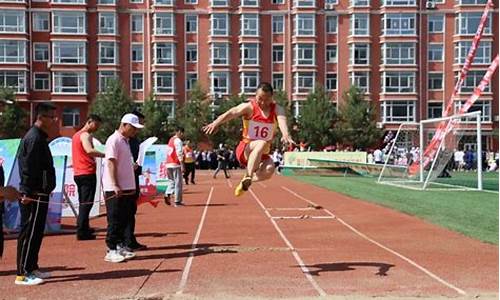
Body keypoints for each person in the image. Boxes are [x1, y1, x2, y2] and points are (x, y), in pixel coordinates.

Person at [202, 82, 295, 196]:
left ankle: (247, 181)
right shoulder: (249, 107)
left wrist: (285, 134)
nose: (263, 102)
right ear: (255, 95)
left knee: (270, 170)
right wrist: (216, 123)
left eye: (267, 99)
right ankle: (249, 174)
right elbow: (232, 112)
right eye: (260, 98)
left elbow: (282, 121)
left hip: (262, 154)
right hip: (246, 149)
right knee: (261, 143)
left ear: (272, 98)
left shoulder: (277, 109)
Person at [15, 102, 57, 285]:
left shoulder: (40, 138)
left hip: (40, 193)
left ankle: (32, 267)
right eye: (51, 117)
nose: (54, 120)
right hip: (32, 194)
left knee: (37, 232)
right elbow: (27, 168)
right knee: (29, 233)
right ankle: (22, 274)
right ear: (41, 117)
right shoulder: (33, 138)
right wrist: (26, 192)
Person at [102, 113, 143, 263]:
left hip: (127, 187)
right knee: (114, 219)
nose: (135, 131)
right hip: (116, 188)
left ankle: (119, 246)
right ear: (124, 125)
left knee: (124, 218)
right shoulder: (114, 140)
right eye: (133, 128)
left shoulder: (125, 141)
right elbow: (111, 162)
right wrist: (114, 184)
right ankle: (111, 249)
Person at [71, 114, 104, 241]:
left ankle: (84, 226)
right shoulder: (85, 135)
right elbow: (89, 151)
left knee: (83, 202)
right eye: (96, 125)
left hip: (79, 173)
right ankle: (82, 231)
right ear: (89, 122)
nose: (97, 128)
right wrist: (105, 154)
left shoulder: (75, 135)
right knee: (86, 203)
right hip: (86, 173)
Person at [124, 110, 147, 251]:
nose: (139, 128)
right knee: (125, 211)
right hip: (126, 180)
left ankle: (130, 239)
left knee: (131, 210)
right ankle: (125, 241)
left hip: (133, 178)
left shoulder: (133, 140)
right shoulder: (124, 140)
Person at [164, 127, 185, 206]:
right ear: (179, 132)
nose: (183, 135)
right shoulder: (178, 141)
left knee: (171, 181)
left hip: (168, 163)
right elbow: (179, 153)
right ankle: (177, 201)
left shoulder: (171, 140)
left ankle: (167, 193)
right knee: (178, 183)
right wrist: (182, 164)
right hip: (175, 164)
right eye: (182, 133)